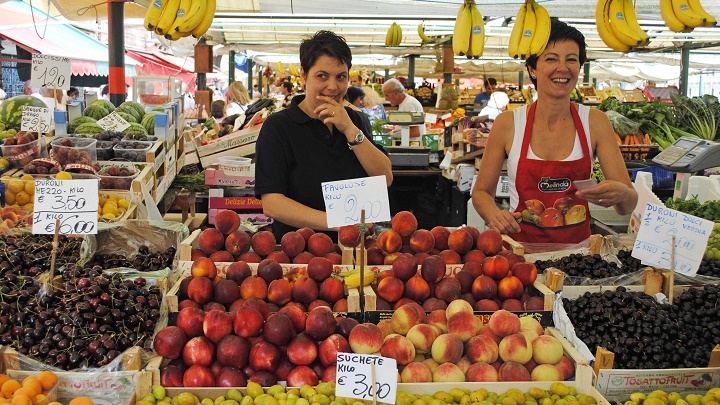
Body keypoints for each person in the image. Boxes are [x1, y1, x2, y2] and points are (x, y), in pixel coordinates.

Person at [470, 19, 637, 248]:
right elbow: (481, 192)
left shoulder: (595, 122)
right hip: (519, 256)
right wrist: (495, 215)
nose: (563, 68)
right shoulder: (508, 123)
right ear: (532, 69)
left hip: (578, 260)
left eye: (571, 59)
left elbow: (627, 205)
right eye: (551, 59)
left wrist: (621, 194)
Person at [254, 30, 393, 242]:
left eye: (341, 77)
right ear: (303, 76)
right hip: (299, 253)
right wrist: (339, 222)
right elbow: (272, 203)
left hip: (357, 249)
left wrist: (349, 129)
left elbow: (385, 178)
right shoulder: (278, 127)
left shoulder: (357, 122)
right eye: (322, 76)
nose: (332, 86)